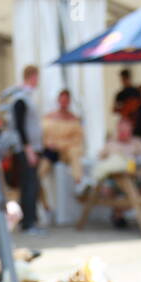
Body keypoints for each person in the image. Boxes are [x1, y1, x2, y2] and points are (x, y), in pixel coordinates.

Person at [42, 89, 85, 225]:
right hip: (50, 151)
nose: (64, 103)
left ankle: (79, 181)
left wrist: (61, 144)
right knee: (40, 174)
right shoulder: (49, 117)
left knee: (75, 153)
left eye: (66, 100)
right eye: (62, 100)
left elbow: (77, 141)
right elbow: (43, 136)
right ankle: (46, 204)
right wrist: (50, 144)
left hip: (66, 151)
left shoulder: (73, 119)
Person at [10, 64, 42, 230]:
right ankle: (28, 222)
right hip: (26, 150)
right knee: (29, 186)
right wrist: (28, 149)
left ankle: (26, 220)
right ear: (31, 77)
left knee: (30, 185)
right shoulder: (21, 98)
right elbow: (20, 126)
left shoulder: (27, 96)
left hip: (30, 148)